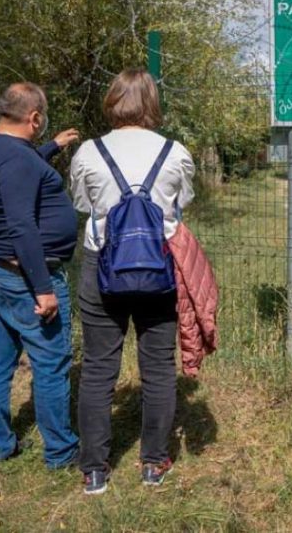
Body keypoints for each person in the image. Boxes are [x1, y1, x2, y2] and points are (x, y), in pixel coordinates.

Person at [69, 68, 195, 495]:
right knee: (158, 367)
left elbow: (82, 203)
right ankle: (154, 463)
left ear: (112, 100)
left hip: (102, 265)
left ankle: (94, 470)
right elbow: (181, 206)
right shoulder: (175, 152)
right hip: (159, 267)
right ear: (152, 103)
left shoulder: (88, 151)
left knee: (100, 367)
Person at [0, 82, 81, 468]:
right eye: (41, 121)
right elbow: (21, 226)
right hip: (25, 278)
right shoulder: (18, 160)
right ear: (34, 117)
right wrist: (44, 289)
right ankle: (61, 453)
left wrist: (52, 147)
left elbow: (20, 172)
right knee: (51, 365)